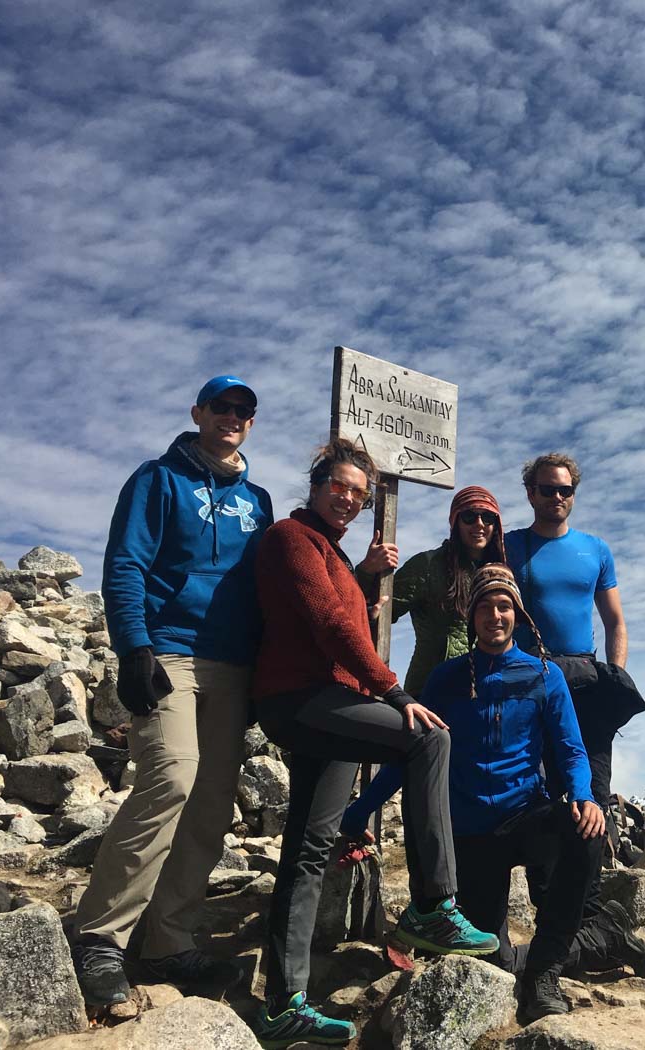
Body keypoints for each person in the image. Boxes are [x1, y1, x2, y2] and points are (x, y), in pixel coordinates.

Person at [250, 438, 497, 1047]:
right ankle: (433, 906)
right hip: (302, 698)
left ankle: (285, 1003)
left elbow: (346, 612)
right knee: (428, 739)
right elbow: (332, 626)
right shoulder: (292, 538)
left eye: (359, 493)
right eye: (340, 486)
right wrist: (394, 693)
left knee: (310, 846)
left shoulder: (330, 553)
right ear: (315, 483)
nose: (349, 499)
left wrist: (362, 576)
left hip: (325, 708)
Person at [73, 376, 274, 1007]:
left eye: (244, 410)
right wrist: (133, 646)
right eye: (222, 407)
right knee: (173, 777)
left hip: (233, 665)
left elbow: (270, 585)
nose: (232, 417)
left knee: (213, 804)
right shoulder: (156, 480)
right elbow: (126, 562)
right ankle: (99, 934)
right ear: (198, 413)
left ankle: (167, 938)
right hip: (167, 654)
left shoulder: (259, 501)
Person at [344, 565, 617, 1024]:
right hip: (468, 836)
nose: (496, 615)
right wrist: (357, 814)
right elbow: (412, 756)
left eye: (505, 606)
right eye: (486, 606)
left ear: (518, 614)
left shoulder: (544, 676)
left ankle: (546, 973)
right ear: (471, 617)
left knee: (585, 833)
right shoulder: (445, 679)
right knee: (489, 959)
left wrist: (585, 796)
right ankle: (598, 940)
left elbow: (571, 749)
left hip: (525, 817)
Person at [504, 452, 627, 804]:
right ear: (530, 493)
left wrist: (615, 676)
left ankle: (595, 848)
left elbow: (615, 621)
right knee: (535, 788)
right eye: (547, 489)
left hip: (586, 676)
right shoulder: (509, 546)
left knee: (592, 784)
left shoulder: (596, 550)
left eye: (565, 490)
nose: (557, 497)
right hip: (529, 672)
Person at [367, 485, 506, 698]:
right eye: (469, 516)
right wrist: (366, 571)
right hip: (432, 687)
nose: (479, 523)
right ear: (455, 522)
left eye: (487, 517)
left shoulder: (501, 571)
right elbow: (378, 611)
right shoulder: (427, 565)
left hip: (488, 685)